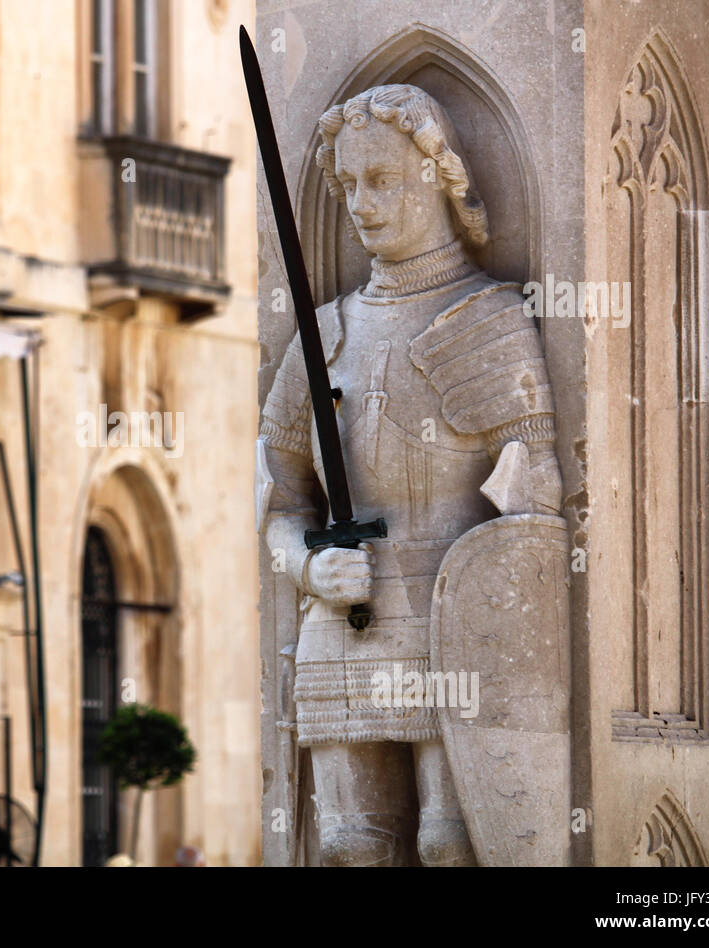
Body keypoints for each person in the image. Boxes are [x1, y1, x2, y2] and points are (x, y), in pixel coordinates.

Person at [259, 83, 563, 866]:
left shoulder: (488, 320)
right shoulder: (322, 333)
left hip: (456, 634)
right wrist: (309, 565)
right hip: (342, 627)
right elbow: (277, 494)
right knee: (354, 845)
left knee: (450, 842)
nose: (361, 204)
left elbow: (536, 508)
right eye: (349, 184)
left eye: (384, 180)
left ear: (439, 176)